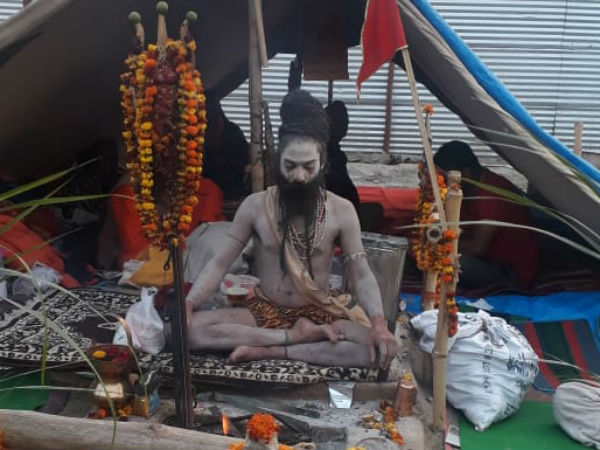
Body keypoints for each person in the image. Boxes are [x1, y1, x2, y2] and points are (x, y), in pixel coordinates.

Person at [186, 90, 397, 369]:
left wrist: (379, 324)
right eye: (290, 166)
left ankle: (269, 351)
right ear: (277, 162)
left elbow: (361, 272)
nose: (299, 176)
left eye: (308, 167)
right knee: (183, 332)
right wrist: (189, 304)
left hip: (321, 313)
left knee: (377, 351)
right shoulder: (255, 206)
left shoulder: (341, 210)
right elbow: (219, 263)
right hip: (265, 310)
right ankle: (293, 337)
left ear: (323, 163)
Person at [433, 140, 539, 290]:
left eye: (446, 178)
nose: (443, 183)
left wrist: (436, 244)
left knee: (438, 260)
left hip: (509, 272)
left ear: (466, 172)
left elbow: (477, 248)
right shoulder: (471, 187)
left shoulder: (491, 196)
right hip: (488, 260)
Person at [202, 94, 250, 200]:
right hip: (207, 192)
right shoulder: (199, 134)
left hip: (233, 190)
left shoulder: (232, 133)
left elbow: (242, 166)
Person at [324, 101, 360, 212]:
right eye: (343, 121)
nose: (346, 124)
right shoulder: (330, 155)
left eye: (346, 120)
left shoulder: (333, 151)